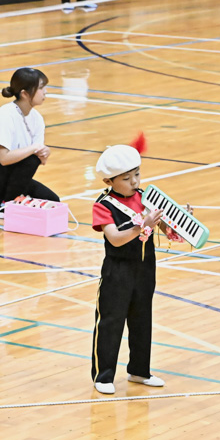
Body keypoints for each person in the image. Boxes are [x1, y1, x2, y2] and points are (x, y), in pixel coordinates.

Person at [89, 144, 182, 395]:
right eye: (126, 178)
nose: (134, 182)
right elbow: (115, 239)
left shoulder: (146, 198)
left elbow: (168, 232)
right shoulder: (104, 205)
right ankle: (103, 375)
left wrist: (182, 221)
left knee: (142, 320)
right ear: (109, 181)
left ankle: (140, 371)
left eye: (137, 174)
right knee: (111, 322)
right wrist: (142, 226)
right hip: (117, 272)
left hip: (145, 269)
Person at [0, 68, 58, 213]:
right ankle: (6, 205)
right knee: (31, 159)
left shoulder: (37, 119)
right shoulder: (6, 115)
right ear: (24, 93)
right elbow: (4, 159)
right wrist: (34, 149)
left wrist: (45, 152)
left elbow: (41, 159)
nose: (45, 91)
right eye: (40, 88)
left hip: (10, 177)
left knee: (53, 201)